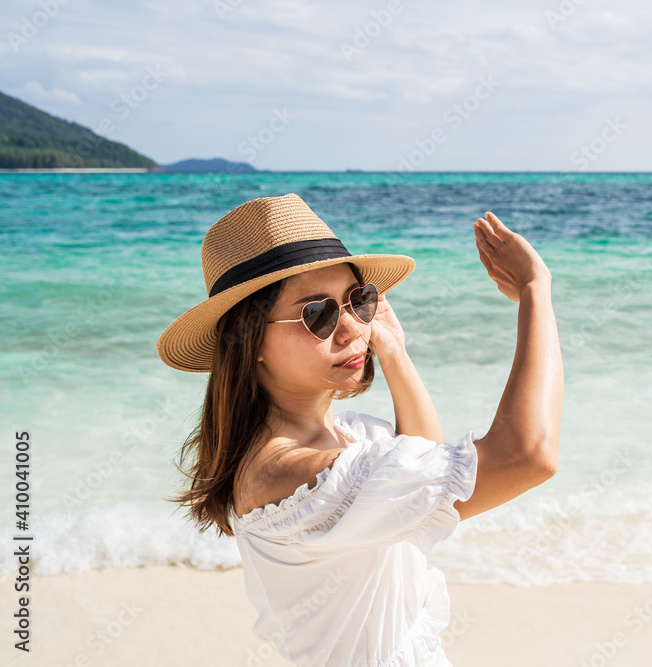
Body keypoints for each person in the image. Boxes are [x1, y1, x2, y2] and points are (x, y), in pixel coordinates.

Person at [155, 193, 563, 666]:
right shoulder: (298, 476)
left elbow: (421, 477)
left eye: (358, 300)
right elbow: (528, 456)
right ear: (249, 339)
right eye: (318, 314)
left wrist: (393, 351)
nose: (350, 328)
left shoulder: (344, 436)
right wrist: (535, 289)